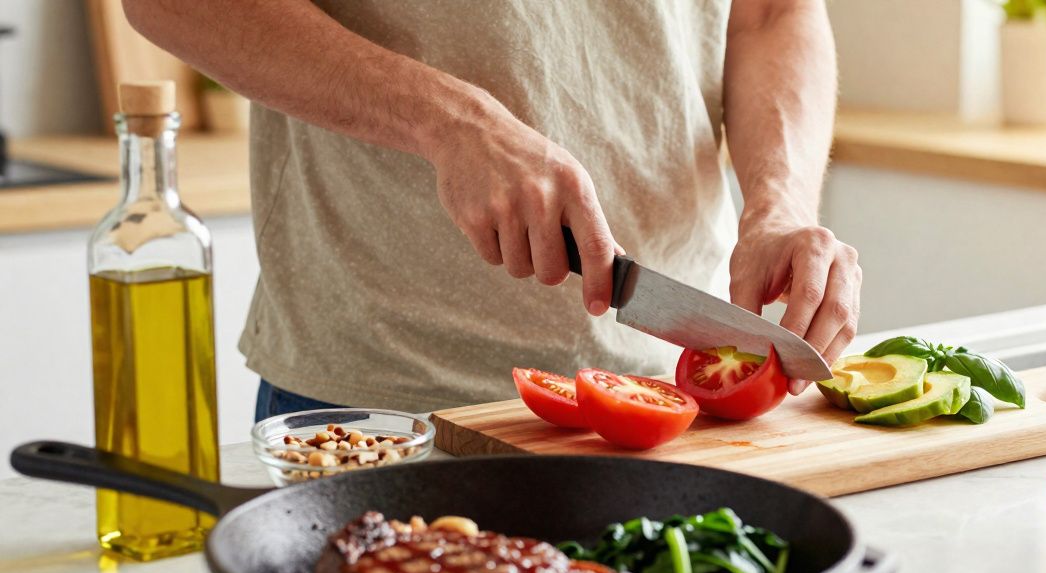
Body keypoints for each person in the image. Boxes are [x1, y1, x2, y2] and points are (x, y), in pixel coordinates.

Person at [123, 0, 861, 420]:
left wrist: (780, 203)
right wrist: (448, 121)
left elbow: (769, 13)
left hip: (671, 396)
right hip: (382, 399)